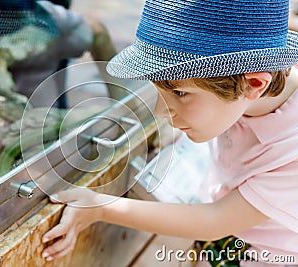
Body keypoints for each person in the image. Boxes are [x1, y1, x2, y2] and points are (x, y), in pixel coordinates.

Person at [42, 0, 298, 266]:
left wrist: (99, 207)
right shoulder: (239, 96)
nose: (161, 111)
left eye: (179, 93)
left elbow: (216, 220)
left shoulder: (292, 149)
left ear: (254, 83)